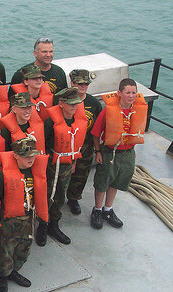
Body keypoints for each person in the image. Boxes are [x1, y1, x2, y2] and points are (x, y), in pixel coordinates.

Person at [90, 78, 147, 229]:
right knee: (102, 182)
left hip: (127, 152)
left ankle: (108, 209)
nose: (131, 95)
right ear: (119, 93)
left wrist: (132, 151)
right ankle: (97, 209)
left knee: (116, 181)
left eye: (134, 92)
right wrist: (97, 152)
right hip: (109, 152)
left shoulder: (137, 110)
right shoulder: (108, 111)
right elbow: (96, 133)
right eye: (128, 92)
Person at [0, 137, 48, 292]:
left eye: (32, 155)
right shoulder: (4, 175)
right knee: (6, 250)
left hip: (28, 217)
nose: (30, 159)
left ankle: (14, 271)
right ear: (16, 156)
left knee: (24, 249)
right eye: (26, 156)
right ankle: (2, 276)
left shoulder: (36, 172)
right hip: (9, 220)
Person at [36, 88, 87, 246]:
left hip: (67, 164)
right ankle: (42, 225)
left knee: (60, 195)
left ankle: (54, 225)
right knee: (47, 195)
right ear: (61, 104)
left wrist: (74, 163)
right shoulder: (51, 122)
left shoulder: (77, 121)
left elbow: (77, 146)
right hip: (52, 163)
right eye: (71, 104)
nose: (74, 107)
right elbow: (43, 145)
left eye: (76, 104)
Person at [66, 70, 103, 215]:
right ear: (72, 83)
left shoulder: (94, 103)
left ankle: (73, 199)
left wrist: (97, 150)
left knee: (81, 176)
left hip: (86, 147)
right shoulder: (63, 100)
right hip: (66, 146)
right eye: (80, 83)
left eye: (86, 83)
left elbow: (98, 128)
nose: (83, 86)